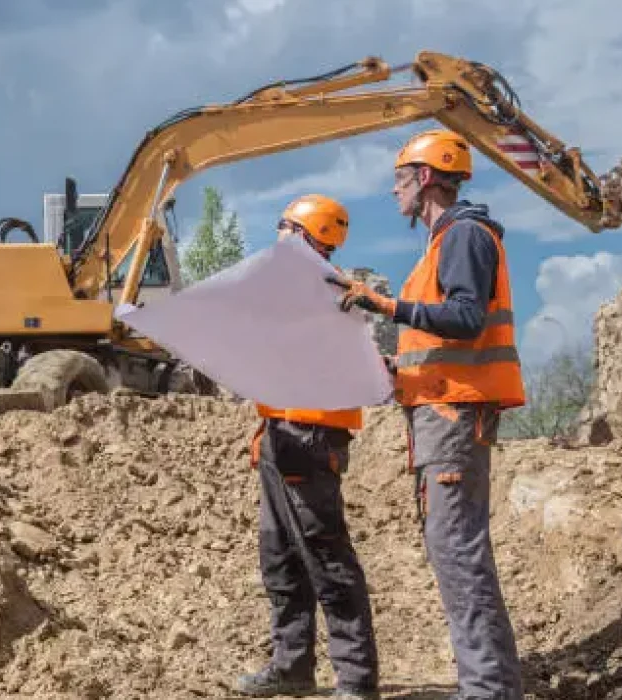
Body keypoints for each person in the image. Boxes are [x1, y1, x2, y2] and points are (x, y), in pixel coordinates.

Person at [325, 129, 527, 700]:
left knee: (459, 553)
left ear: (428, 176)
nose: (394, 192)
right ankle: (490, 685)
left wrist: (383, 303)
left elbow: (464, 319)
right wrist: (395, 370)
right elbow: (442, 339)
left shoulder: (463, 235)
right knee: (455, 550)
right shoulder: (445, 242)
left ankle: (488, 690)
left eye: (400, 179)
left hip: (456, 416)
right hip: (443, 411)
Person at [236, 194, 380, 700]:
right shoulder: (299, 290)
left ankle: (357, 682)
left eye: (282, 228)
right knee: (281, 559)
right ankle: (292, 665)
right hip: (283, 434)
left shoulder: (326, 290)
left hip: (311, 438)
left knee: (326, 559)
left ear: (302, 233)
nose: (276, 237)